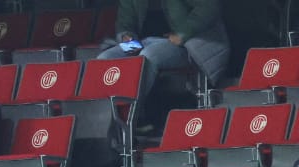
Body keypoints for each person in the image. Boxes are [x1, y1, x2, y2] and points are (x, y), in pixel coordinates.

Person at [96, 0, 228, 120]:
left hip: (182, 42)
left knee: (147, 56)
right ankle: (107, 122)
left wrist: (183, 33)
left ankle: (130, 120)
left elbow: (210, 7)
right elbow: (124, 22)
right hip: (141, 42)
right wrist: (126, 36)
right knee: (105, 59)